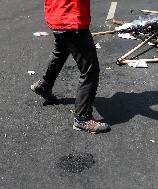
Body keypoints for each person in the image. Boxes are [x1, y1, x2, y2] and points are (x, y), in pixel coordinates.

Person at [31, 0, 110, 134]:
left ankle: (44, 85)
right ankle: (82, 118)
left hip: (56, 14)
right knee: (90, 68)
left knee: (60, 52)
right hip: (71, 17)